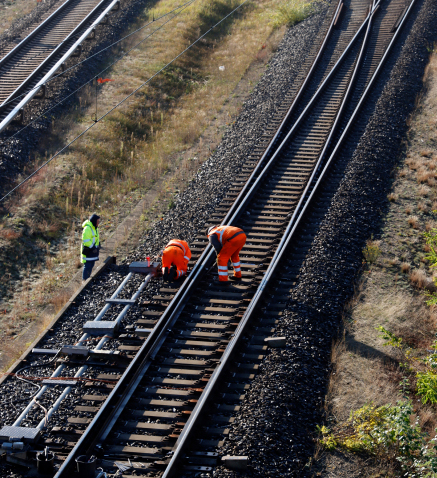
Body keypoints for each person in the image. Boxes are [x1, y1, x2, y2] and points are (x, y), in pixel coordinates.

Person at [81, 213, 100, 281]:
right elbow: (86, 241)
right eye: (97, 221)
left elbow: (96, 238)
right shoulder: (87, 229)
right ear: (94, 221)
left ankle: (87, 279)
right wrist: (93, 247)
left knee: (91, 265)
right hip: (89, 251)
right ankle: (85, 280)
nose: (98, 223)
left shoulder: (95, 228)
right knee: (87, 266)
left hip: (92, 251)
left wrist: (98, 245)